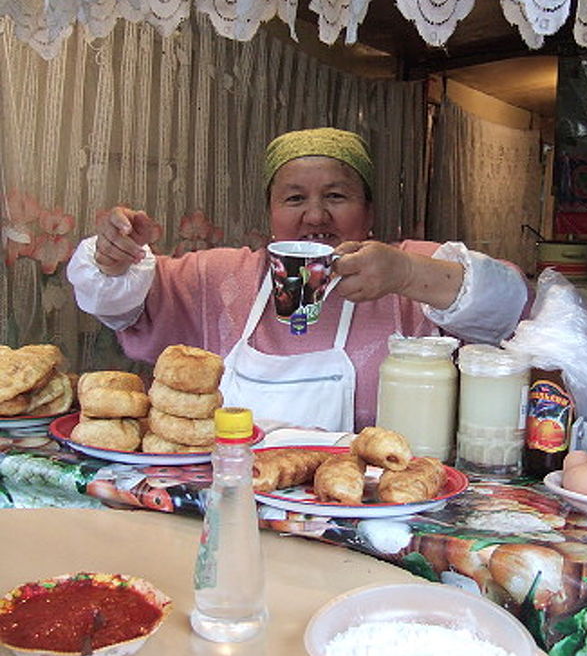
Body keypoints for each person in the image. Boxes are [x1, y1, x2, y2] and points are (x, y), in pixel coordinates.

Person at [67, 127, 531, 432]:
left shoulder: (408, 272)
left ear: (369, 212)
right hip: (234, 497)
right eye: (293, 199)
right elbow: (124, 302)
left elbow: (514, 305)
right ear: (270, 214)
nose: (315, 216)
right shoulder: (223, 275)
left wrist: (409, 273)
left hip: (368, 512)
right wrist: (114, 258)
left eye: (336, 195)